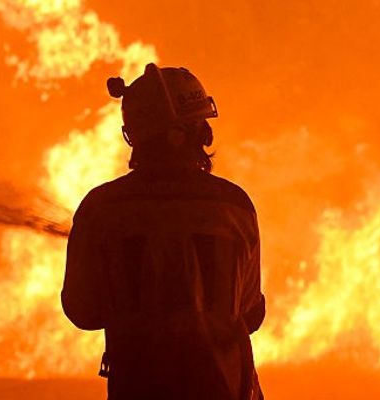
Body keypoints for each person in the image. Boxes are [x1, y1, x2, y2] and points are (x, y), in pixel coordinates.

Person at [62, 63, 265, 400]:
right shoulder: (235, 207)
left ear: (136, 134)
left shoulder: (101, 209)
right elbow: (251, 313)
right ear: (190, 133)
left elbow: (82, 311)